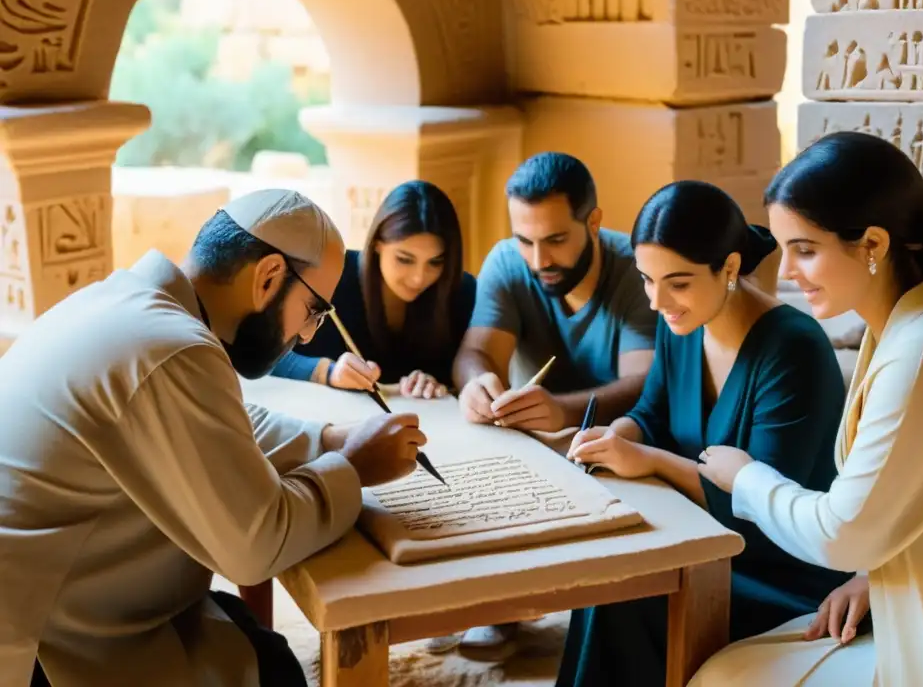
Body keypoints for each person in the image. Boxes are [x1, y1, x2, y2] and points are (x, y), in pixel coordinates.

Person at [0, 190, 426, 687]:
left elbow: (225, 422)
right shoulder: (172, 345)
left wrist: (331, 439)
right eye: (314, 310)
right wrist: (353, 467)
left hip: (70, 597)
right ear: (268, 277)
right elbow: (255, 546)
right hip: (43, 644)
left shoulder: (128, 303)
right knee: (273, 668)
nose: (308, 337)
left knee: (249, 638)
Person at [694, 132, 923, 686]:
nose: (791, 272)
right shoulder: (906, 327)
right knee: (726, 671)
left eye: (806, 249)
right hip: (913, 607)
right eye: (785, 249)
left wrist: (747, 478)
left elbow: (839, 533)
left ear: (872, 245)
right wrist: (874, 574)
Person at [555, 181, 853, 687]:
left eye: (677, 282)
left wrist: (646, 460)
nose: (656, 301)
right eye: (646, 279)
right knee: (607, 572)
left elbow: (764, 505)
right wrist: (610, 438)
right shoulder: (685, 325)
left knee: (632, 593)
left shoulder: (793, 350)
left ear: (731, 268)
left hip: (781, 569)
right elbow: (651, 412)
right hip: (701, 540)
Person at [450, 152, 658, 658]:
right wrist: (479, 385)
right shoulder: (506, 261)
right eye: (525, 240)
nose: (539, 259)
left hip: (621, 435)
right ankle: (498, 603)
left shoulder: (635, 267)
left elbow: (645, 383)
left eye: (556, 240)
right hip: (530, 436)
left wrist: (563, 411)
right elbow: (475, 354)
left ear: (594, 221)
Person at [271, 181, 475, 398]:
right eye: (404, 259)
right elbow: (265, 355)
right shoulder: (329, 275)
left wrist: (436, 386)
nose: (418, 278)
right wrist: (327, 372)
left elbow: (468, 375)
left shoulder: (462, 291)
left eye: (435, 262)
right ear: (378, 243)